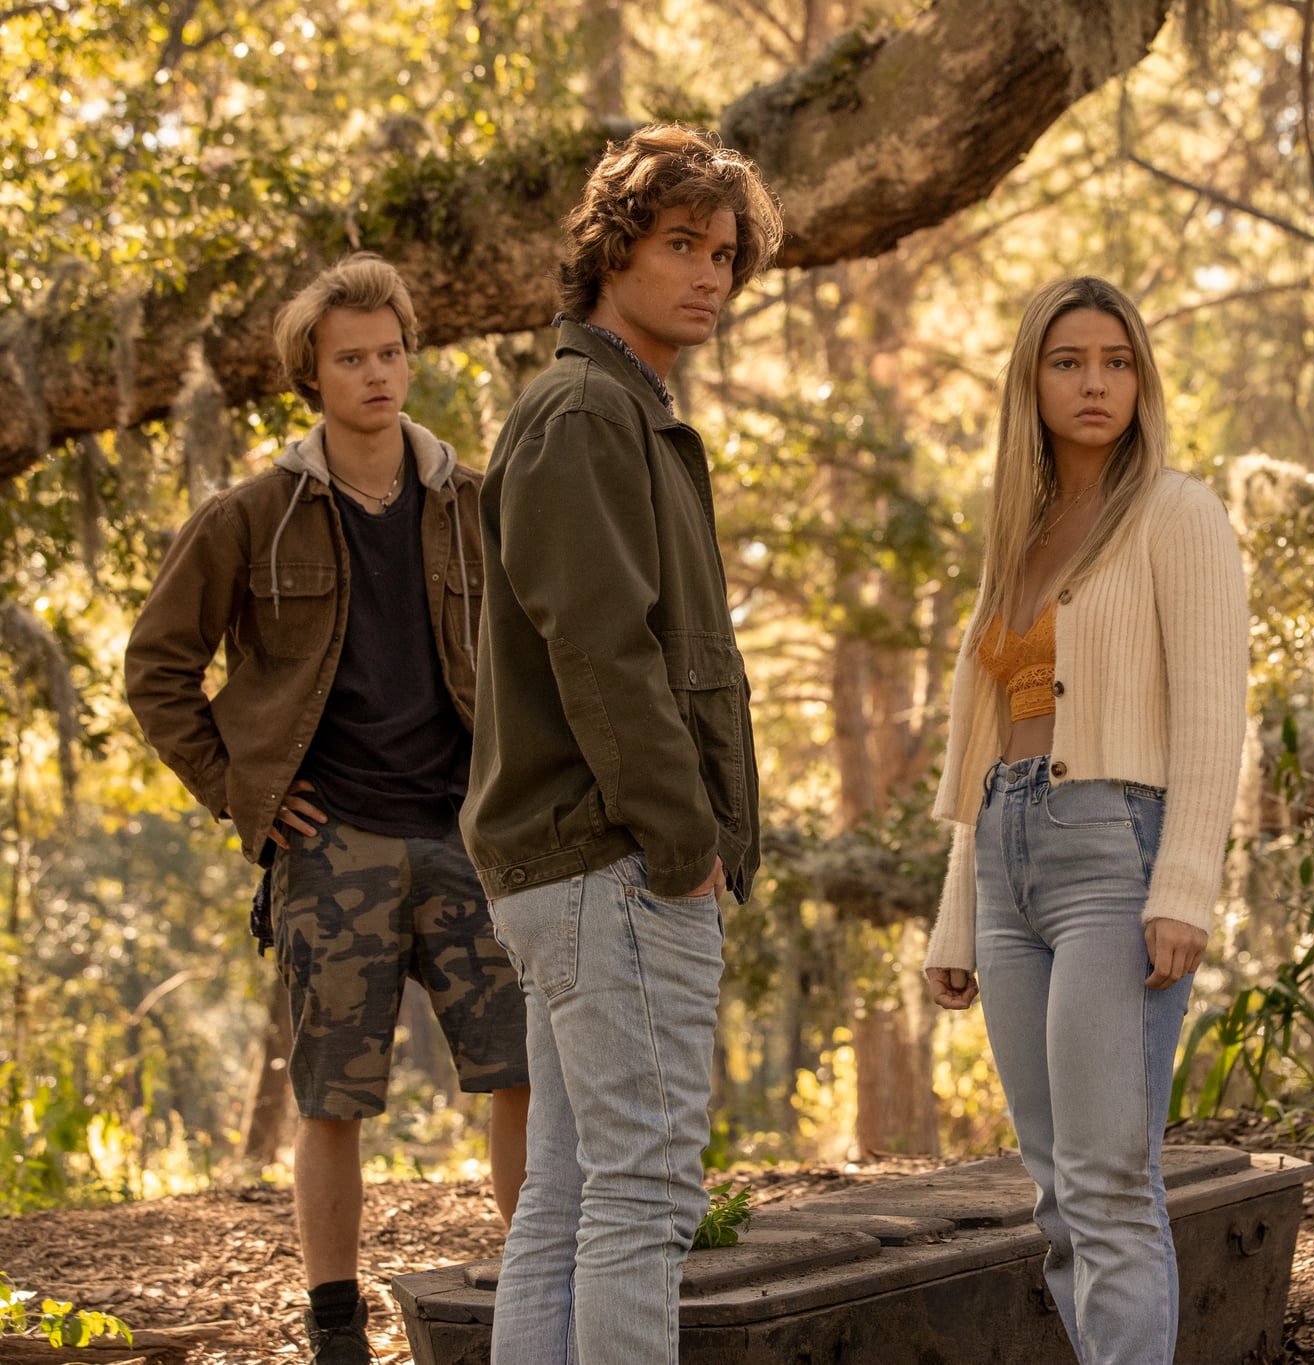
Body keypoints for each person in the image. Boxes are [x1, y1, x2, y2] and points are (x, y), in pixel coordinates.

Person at [125, 253, 530, 1365]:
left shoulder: (473, 504)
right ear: (314, 374)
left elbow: (541, 658)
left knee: (523, 1072)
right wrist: (241, 794)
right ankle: (336, 1325)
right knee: (332, 1098)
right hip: (331, 842)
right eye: (351, 359)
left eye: (390, 352)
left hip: (467, 831)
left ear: (410, 355)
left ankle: (536, 1293)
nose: (376, 374)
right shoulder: (250, 515)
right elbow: (157, 670)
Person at [460, 124, 781, 1365]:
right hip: (610, 860)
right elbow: (603, 654)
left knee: (569, 1192)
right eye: (680, 245)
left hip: (582, 863)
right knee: (644, 1194)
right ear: (612, 250)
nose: (708, 274)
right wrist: (680, 841)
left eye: (725, 255)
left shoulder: (611, 409)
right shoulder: (585, 410)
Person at [923, 276, 1249, 1365]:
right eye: (1068, 361)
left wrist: (1183, 890)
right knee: (1056, 1190)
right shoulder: (1015, 536)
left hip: (1117, 853)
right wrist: (953, 918)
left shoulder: (1176, 513)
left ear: (1142, 380)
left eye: (1116, 361)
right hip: (1006, 859)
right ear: (1031, 379)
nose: (1095, 381)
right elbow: (985, 740)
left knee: (1111, 1176)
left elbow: (1212, 714)